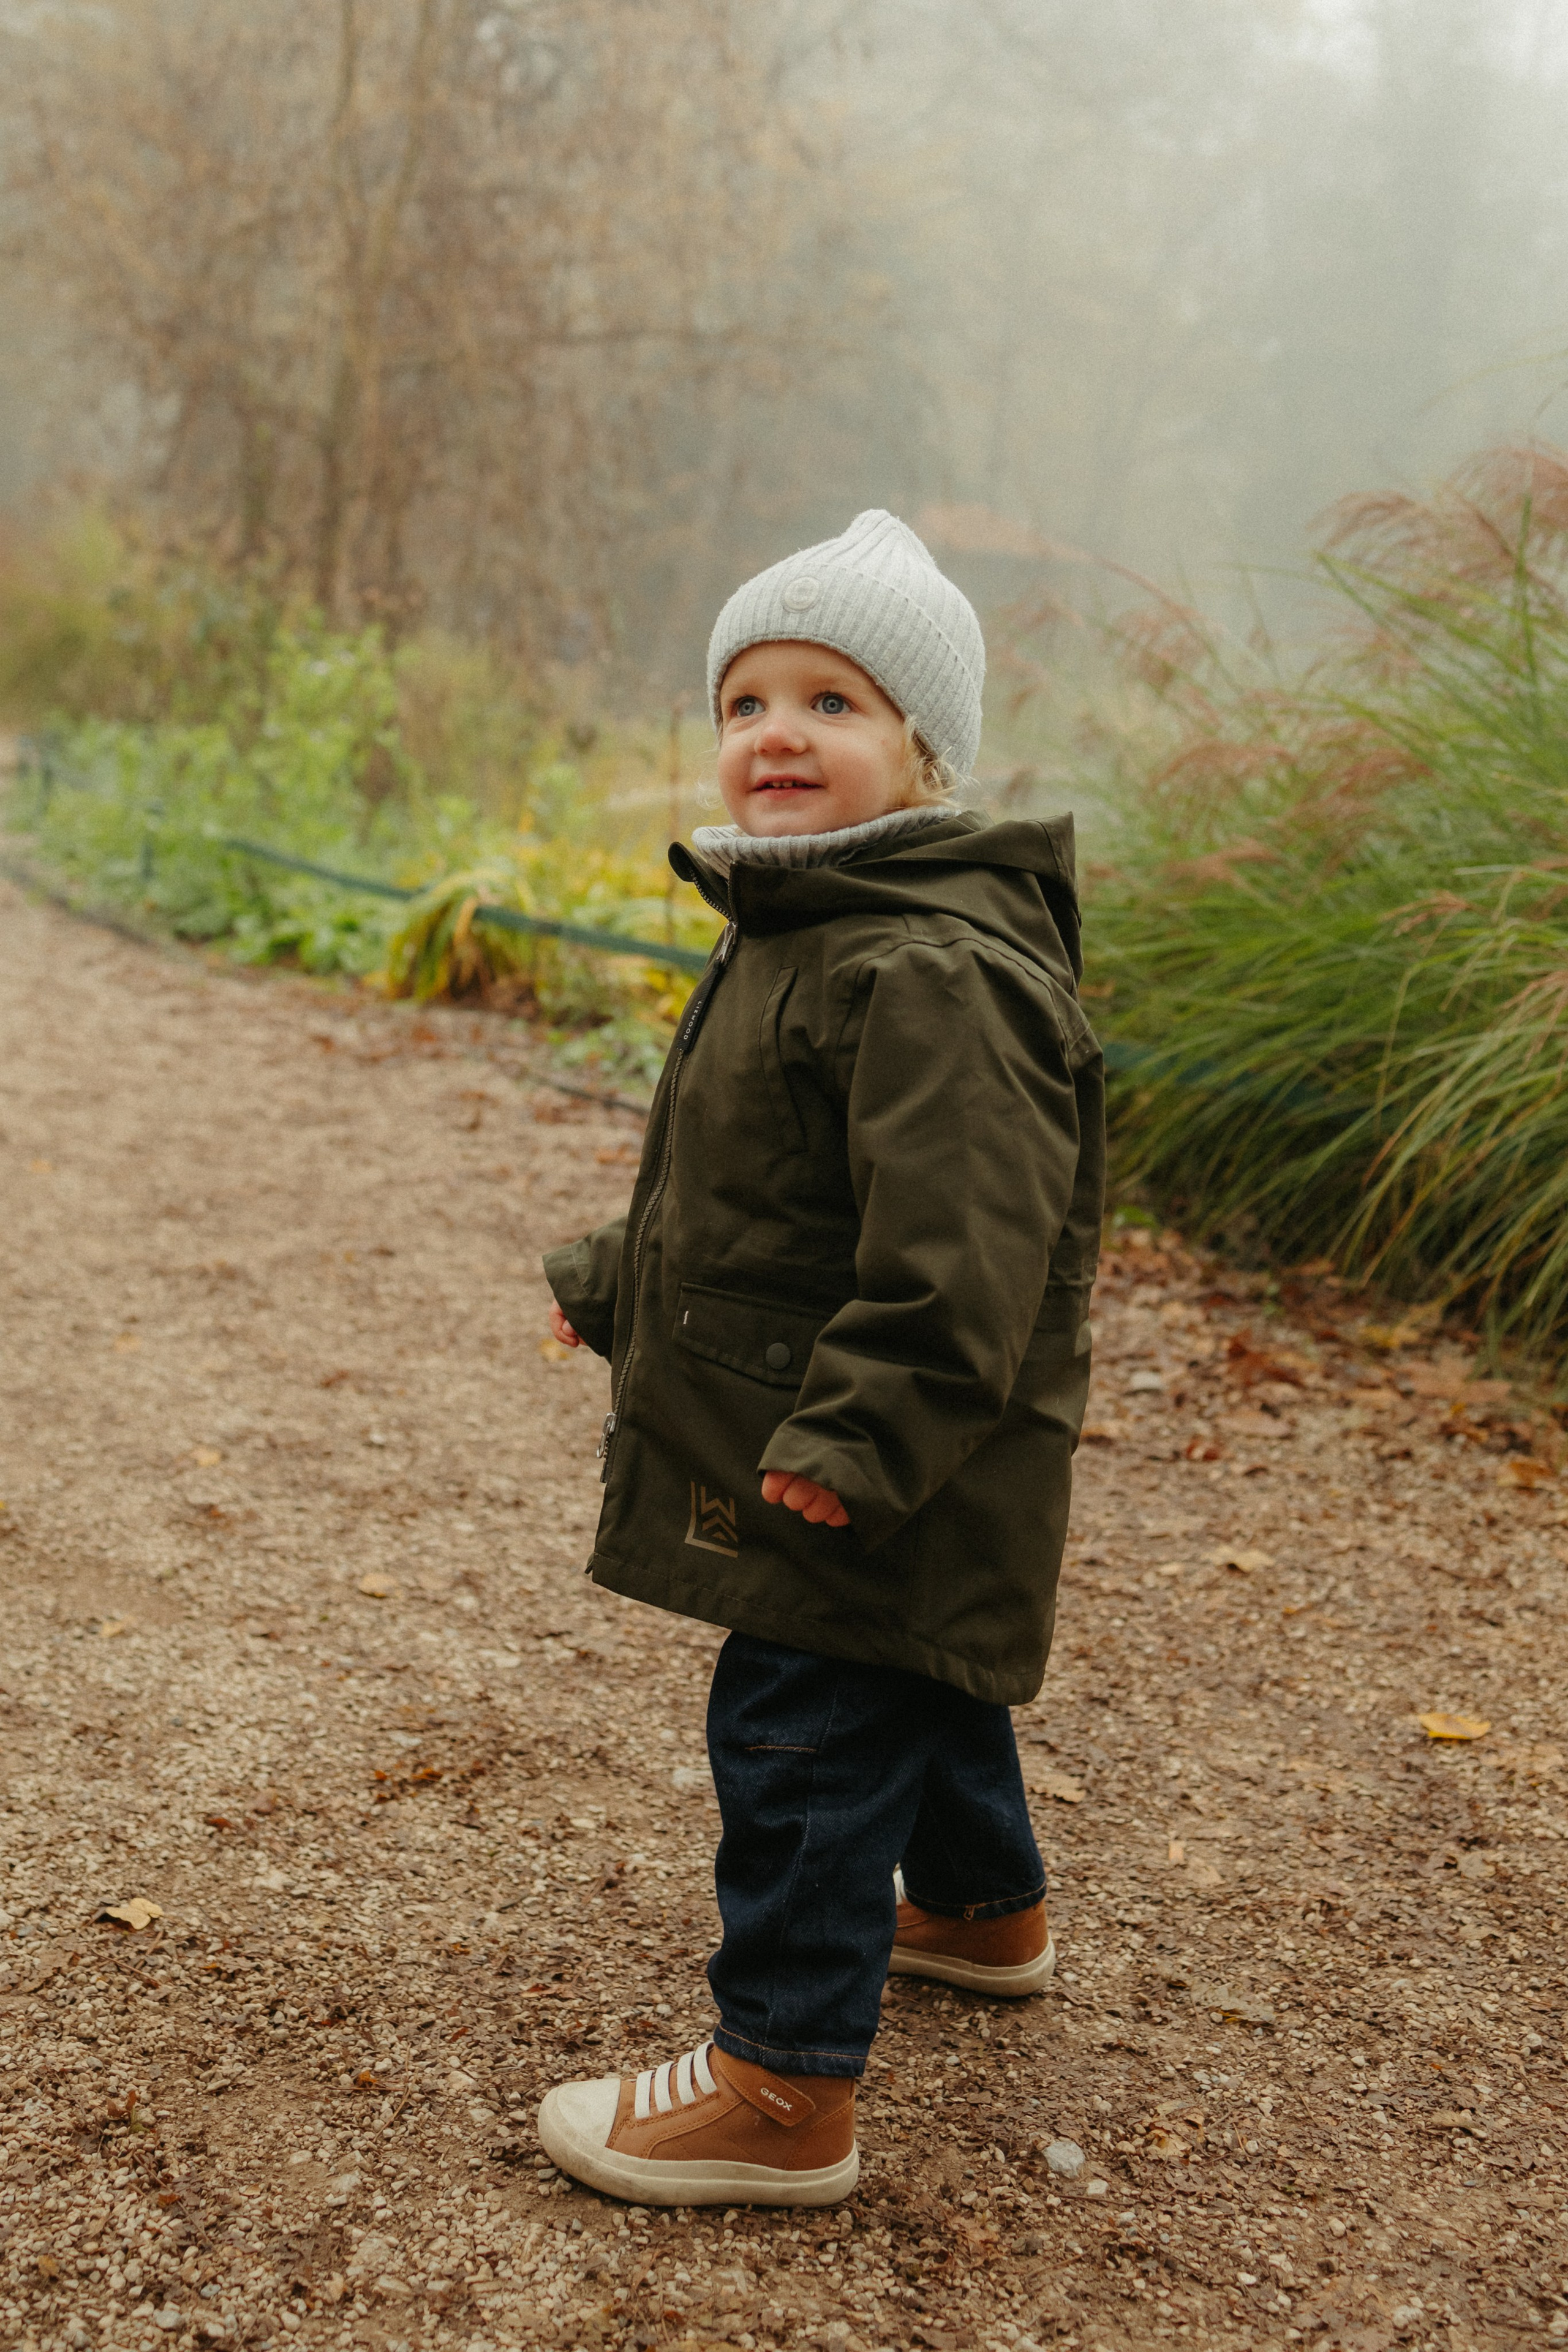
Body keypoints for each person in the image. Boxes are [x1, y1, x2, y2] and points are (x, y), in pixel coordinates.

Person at [536, 510, 1104, 2207]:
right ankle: (983, 1908)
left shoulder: (928, 965)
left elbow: (963, 1262)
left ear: (924, 751)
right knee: (914, 1664)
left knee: (801, 1724)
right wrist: (616, 1279)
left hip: (876, 1442)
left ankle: (783, 2087)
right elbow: (760, 1198)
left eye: (834, 703)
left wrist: (858, 1442)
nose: (776, 735)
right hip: (860, 1431)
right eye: (749, 700)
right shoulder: (817, 924)